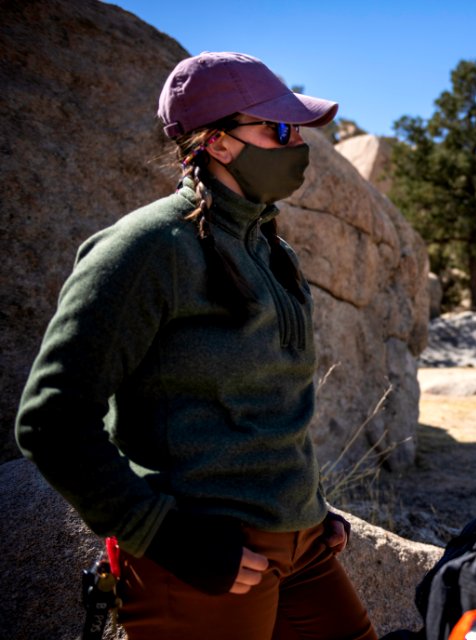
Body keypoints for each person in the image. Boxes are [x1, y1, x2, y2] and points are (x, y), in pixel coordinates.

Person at [15, 51, 378, 640]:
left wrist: (309, 507)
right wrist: (166, 538)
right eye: (278, 129)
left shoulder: (269, 247)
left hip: (303, 547)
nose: (297, 145)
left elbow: (264, 406)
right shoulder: (149, 247)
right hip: (204, 561)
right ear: (218, 142)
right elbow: (50, 420)